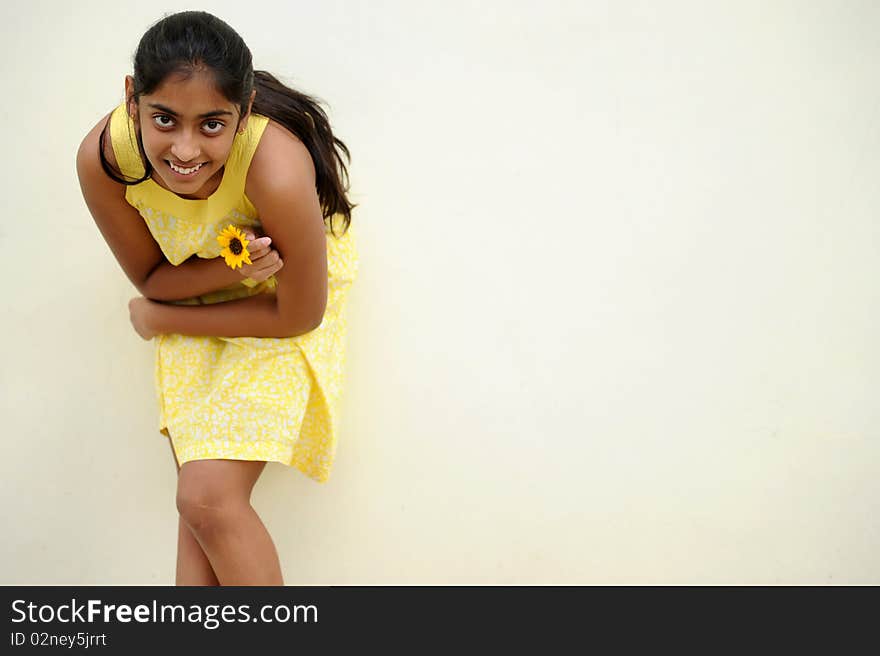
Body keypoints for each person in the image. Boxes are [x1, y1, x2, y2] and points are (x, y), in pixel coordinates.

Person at [76, 10, 359, 585]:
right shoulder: (106, 160)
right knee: (198, 511)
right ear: (132, 98)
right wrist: (222, 268)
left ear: (245, 110)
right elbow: (152, 277)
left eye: (211, 124)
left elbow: (301, 314)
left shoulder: (275, 170)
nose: (185, 149)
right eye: (164, 119)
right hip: (199, 283)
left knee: (206, 498)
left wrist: (164, 317)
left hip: (289, 288)